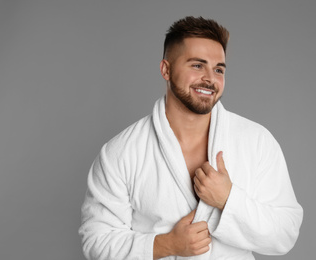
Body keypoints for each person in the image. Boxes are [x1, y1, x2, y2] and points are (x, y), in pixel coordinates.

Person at [79, 16, 303, 260]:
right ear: (166, 69)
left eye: (218, 69)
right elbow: (96, 241)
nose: (210, 78)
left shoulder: (256, 141)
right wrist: (165, 245)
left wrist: (229, 200)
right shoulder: (121, 152)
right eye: (197, 65)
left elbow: (285, 233)